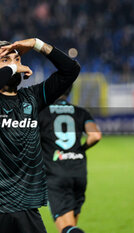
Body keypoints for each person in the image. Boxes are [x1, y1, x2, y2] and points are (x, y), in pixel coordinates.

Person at [0, 38, 80, 233]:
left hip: (26, 209)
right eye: (5, 60)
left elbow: (71, 70)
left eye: (17, 58)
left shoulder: (33, 98)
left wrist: (37, 44)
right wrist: (12, 68)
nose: (14, 62)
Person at [39, 86, 102, 233]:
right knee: (71, 226)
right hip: (79, 173)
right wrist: (82, 149)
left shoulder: (42, 112)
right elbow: (95, 135)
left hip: (56, 174)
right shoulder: (81, 112)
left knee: (67, 229)